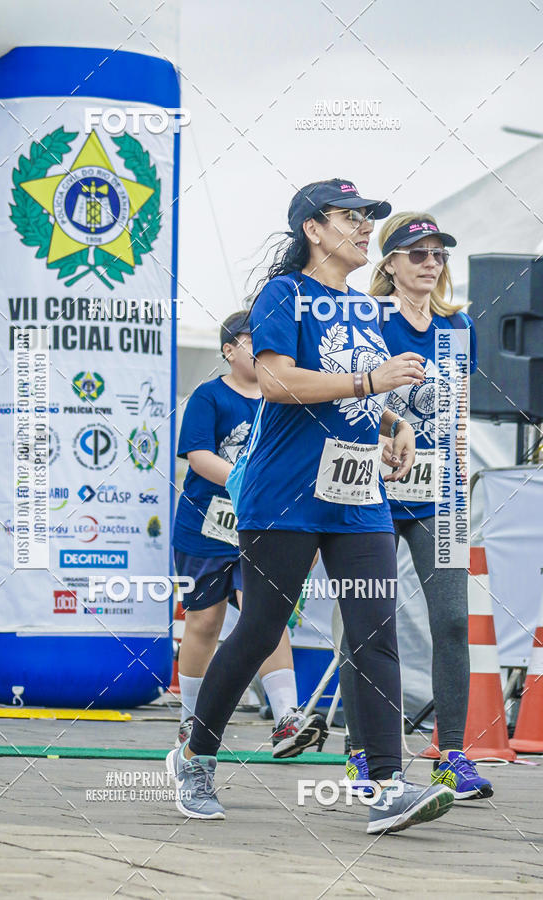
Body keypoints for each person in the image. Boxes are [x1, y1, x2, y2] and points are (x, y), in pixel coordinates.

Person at [167, 179, 456, 833]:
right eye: (349, 217)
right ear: (313, 231)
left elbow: (361, 393)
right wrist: (370, 382)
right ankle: (196, 757)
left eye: (367, 218)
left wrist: (392, 424)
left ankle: (385, 784)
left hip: (357, 497)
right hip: (285, 498)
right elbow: (274, 380)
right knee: (260, 632)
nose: (363, 227)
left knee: (376, 630)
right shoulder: (285, 295)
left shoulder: (361, 308)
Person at [339, 212, 493, 800]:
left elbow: (454, 412)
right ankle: (361, 755)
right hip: (368, 488)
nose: (431, 263)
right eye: (418, 253)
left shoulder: (458, 328)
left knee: (452, 620)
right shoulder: (364, 317)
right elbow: (343, 394)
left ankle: (451, 753)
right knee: (367, 623)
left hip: (437, 494)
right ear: (390, 264)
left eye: (438, 255)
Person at [172, 311, 327, 759]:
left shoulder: (285, 399)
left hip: (267, 526)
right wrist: (246, 484)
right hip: (207, 525)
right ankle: (192, 719)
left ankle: (286, 718)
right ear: (228, 350)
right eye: (249, 341)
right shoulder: (210, 396)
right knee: (205, 621)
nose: (260, 349)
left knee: (267, 615)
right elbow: (199, 456)